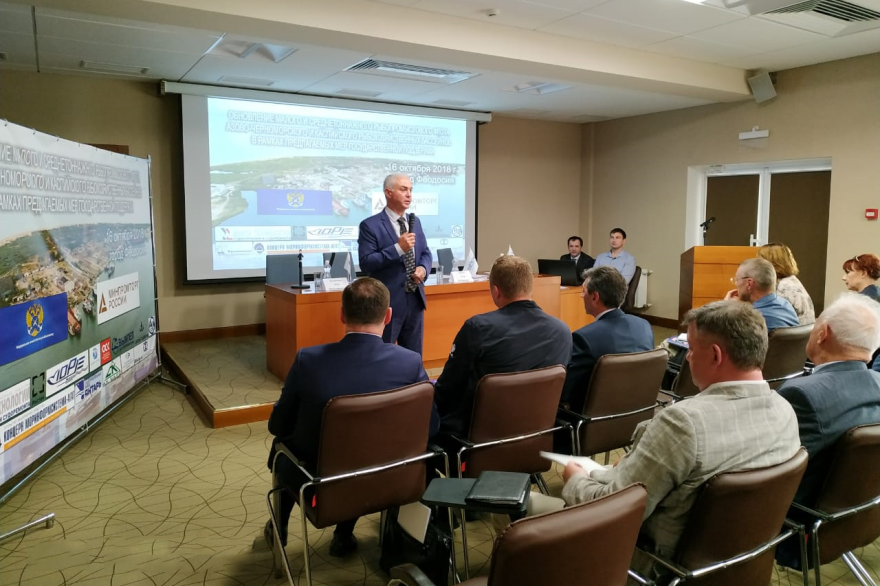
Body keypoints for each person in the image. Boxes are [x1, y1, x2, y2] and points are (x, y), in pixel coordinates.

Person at [553, 301, 800, 580]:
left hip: (655, 567)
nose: (688, 358)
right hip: (739, 566)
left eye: (691, 349)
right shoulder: (786, 412)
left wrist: (574, 479)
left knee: (533, 530)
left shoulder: (682, 423)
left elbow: (612, 512)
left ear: (716, 355)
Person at [266, 278, 439, 557]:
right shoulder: (410, 363)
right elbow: (431, 427)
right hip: (395, 479)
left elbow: (278, 425)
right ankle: (343, 534)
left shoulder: (308, 360)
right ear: (388, 316)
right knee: (363, 449)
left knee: (282, 450)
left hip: (324, 487)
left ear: (342, 315)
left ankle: (279, 528)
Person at [775, 293, 880, 569]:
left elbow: (768, 468)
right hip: (861, 518)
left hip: (796, 532)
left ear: (823, 333)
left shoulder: (802, 394)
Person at [433, 255, 572, 439]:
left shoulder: (478, 328)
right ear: (530, 287)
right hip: (538, 434)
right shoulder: (562, 331)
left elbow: (447, 389)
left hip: (477, 439)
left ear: (496, 291)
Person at [357, 174, 433, 354]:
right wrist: (398, 248)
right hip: (387, 303)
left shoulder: (415, 222)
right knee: (384, 356)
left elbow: (425, 252)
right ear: (388, 193)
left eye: (411, 190)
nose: (409, 195)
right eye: (403, 189)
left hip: (415, 299)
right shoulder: (370, 225)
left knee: (413, 357)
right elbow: (366, 263)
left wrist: (423, 269)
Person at [561, 266, 654, 412]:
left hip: (591, 417)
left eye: (583, 291)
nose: (581, 296)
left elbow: (566, 391)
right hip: (639, 411)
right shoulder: (644, 326)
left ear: (595, 297)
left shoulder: (584, 338)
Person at [725, 257, 798, 331]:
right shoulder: (786, 305)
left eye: (737, 279)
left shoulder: (751, 318)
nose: (736, 283)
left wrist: (725, 308)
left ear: (749, 284)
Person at [757, 243, 815, 325]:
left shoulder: (782, 287)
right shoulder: (792, 281)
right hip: (803, 331)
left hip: (791, 332)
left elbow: (775, 320)